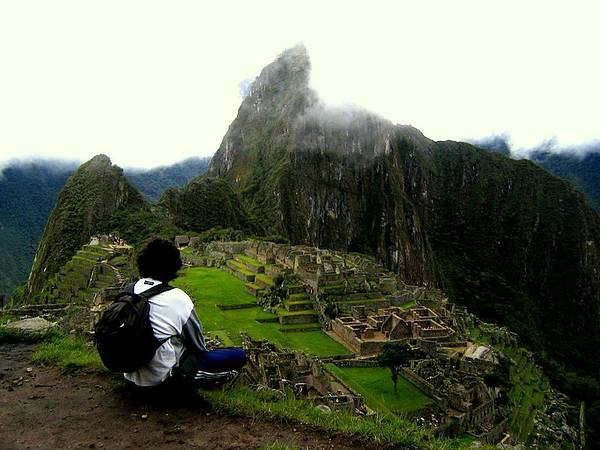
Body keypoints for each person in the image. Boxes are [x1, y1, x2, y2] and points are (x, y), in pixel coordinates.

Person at [124, 237, 247, 389]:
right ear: (173, 267)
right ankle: (207, 392)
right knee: (238, 355)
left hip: (129, 374)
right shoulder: (179, 298)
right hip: (164, 380)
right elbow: (198, 347)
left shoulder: (128, 291)